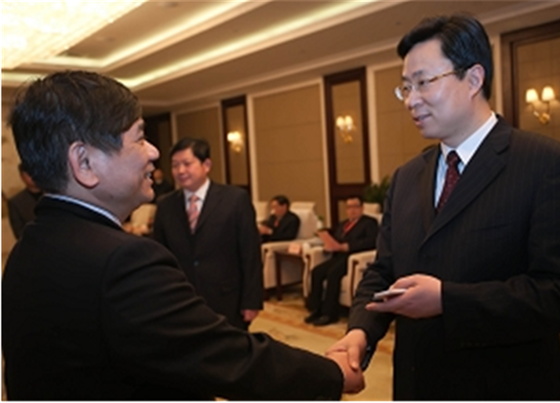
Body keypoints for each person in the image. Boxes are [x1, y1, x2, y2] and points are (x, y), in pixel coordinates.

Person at [2, 70, 365, 400]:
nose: (154, 152)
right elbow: (228, 358)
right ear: (84, 162)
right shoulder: (123, 262)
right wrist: (331, 373)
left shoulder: (27, 250)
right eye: (139, 138)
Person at [327, 14, 560, 400]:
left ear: (473, 79)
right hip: (416, 385)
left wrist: (447, 301)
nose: (412, 100)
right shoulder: (406, 177)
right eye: (406, 87)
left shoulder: (548, 165)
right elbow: (384, 270)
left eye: (423, 82)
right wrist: (360, 331)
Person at [152, 137, 263, 330]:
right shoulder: (165, 205)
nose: (180, 171)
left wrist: (251, 300)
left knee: (230, 347)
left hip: (227, 298)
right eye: (175, 165)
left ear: (206, 165)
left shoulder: (235, 199)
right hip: (182, 299)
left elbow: (250, 252)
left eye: (187, 163)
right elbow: (160, 254)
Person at [305, 196, 379, 326]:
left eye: (355, 207)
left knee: (333, 273)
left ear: (362, 208)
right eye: (349, 207)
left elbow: (372, 242)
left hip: (353, 257)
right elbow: (335, 239)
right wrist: (328, 245)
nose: (352, 210)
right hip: (338, 256)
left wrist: (347, 246)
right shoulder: (343, 224)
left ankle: (329, 314)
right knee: (317, 271)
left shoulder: (369, 223)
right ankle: (316, 309)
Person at [7, 163, 43, 239]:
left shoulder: (53, 193)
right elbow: (19, 233)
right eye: (28, 174)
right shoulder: (16, 203)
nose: (32, 176)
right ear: (22, 177)